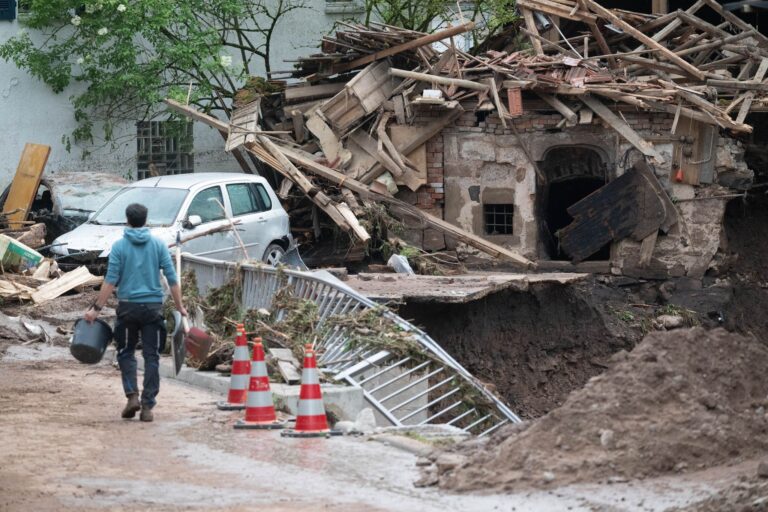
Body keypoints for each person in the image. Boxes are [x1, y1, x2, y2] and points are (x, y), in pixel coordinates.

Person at [84, 203, 187, 422]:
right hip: (152, 309)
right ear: (146, 219)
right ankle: (148, 406)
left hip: (128, 309)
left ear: (127, 219)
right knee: (152, 357)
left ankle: (132, 395)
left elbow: (110, 281)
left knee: (126, 352)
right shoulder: (159, 246)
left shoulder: (119, 247)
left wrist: (96, 309)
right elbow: (172, 278)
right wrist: (180, 307)